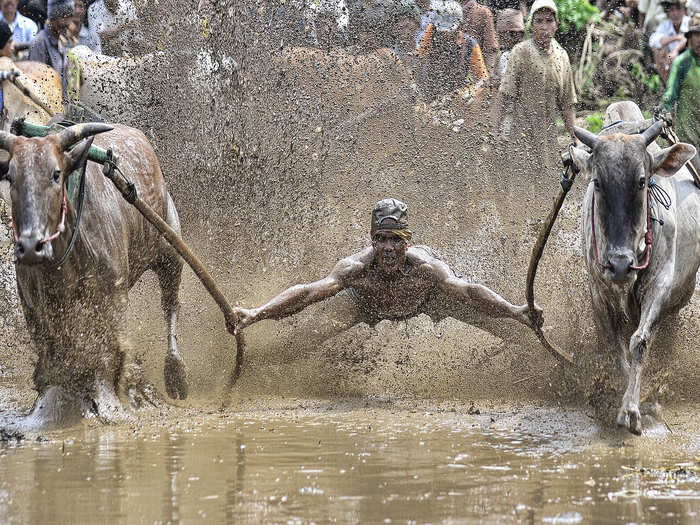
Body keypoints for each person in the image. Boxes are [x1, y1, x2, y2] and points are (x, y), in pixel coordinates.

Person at [233, 199, 542, 340]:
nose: (388, 249)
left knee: (500, 323)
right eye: (381, 240)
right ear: (372, 240)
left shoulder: (425, 268)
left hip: (427, 300)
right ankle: (261, 364)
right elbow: (311, 292)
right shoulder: (355, 270)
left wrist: (514, 309)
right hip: (366, 304)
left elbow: (466, 290)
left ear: (407, 242)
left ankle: (533, 345)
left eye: (395, 241)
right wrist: (257, 313)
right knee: (304, 340)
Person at [494, 0, 577, 145]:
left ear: (556, 25)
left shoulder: (562, 56)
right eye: (538, 21)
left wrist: (575, 138)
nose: (544, 27)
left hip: (548, 136)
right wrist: (492, 132)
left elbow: (567, 104)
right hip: (519, 136)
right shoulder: (520, 52)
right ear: (532, 26)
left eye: (549, 21)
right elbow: (504, 96)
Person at [416, 0, 489, 101]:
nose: (445, 35)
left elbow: (483, 78)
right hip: (430, 92)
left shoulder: (470, 44)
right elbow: (418, 61)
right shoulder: (431, 33)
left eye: (449, 31)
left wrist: (470, 93)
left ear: (459, 25)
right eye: (442, 30)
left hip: (457, 98)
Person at [663, 12, 700, 172]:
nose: (699, 40)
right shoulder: (682, 62)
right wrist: (666, 114)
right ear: (690, 38)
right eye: (696, 35)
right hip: (689, 139)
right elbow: (670, 95)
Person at [28, 0, 73, 93]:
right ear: (52, 18)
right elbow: (36, 84)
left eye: (70, 17)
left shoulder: (62, 42)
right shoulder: (39, 44)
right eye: (63, 17)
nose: (67, 23)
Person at [650, 0, 689, 83]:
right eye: (671, 10)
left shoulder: (690, 22)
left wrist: (675, 51)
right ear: (667, 13)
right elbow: (653, 41)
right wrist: (676, 37)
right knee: (659, 51)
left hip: (689, 60)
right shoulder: (665, 25)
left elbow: (688, 39)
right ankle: (669, 87)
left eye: (678, 9)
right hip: (671, 63)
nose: (675, 13)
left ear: (684, 11)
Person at [461, 0, 499, 74]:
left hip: (475, 70)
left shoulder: (483, 13)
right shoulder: (447, 10)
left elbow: (490, 48)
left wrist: (487, 75)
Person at [493, 8, 525, 84]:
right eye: (512, 33)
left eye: (521, 33)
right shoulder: (498, 56)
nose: (517, 38)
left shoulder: (530, 54)